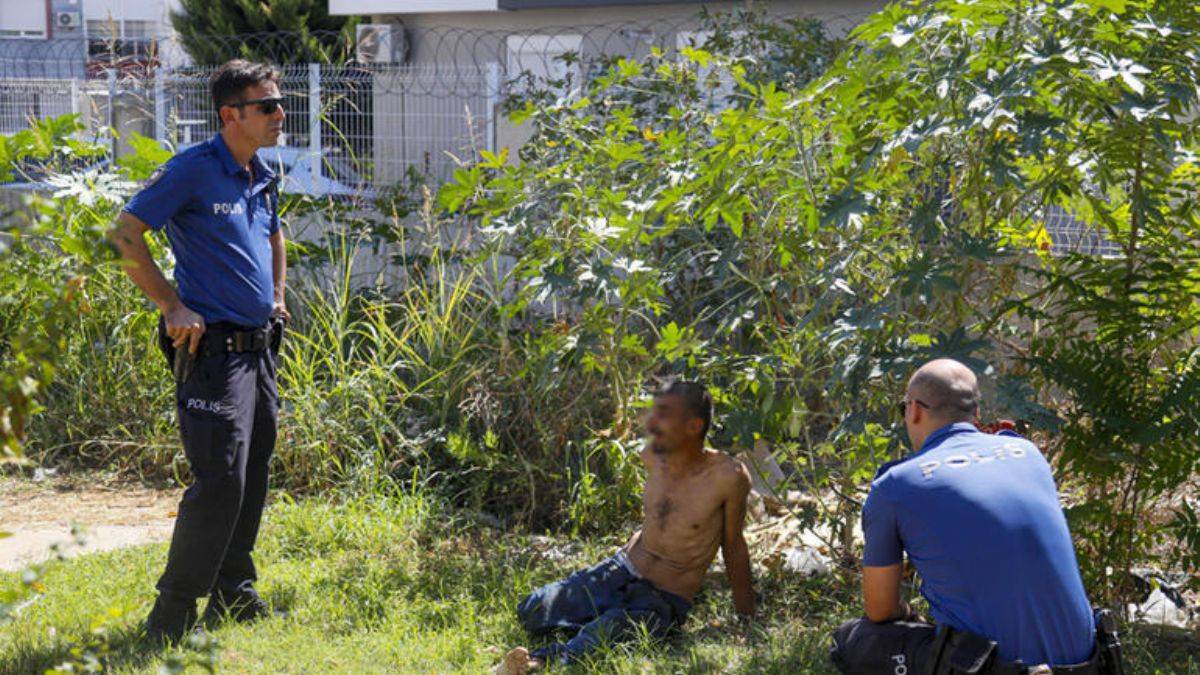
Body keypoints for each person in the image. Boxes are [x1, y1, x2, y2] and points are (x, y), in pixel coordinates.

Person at [108, 59, 289, 644]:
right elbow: (123, 235)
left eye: (279, 103)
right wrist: (170, 305)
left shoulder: (259, 173)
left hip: (260, 349)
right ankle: (172, 615)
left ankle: (234, 595)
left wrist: (279, 295)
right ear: (230, 114)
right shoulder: (193, 170)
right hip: (213, 352)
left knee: (252, 472)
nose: (280, 114)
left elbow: (273, 235)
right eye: (267, 106)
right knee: (220, 480)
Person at [829, 358, 1105, 674]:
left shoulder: (896, 485)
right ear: (976, 414)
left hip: (997, 668)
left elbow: (880, 609)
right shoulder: (1028, 453)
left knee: (857, 639)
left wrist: (909, 613)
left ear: (914, 410)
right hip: (1089, 663)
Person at [495, 381, 755, 673]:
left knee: (603, 636)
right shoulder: (653, 456)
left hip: (663, 596)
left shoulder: (728, 477)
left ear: (693, 426)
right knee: (533, 609)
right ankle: (596, 614)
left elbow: (734, 545)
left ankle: (536, 663)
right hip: (620, 570)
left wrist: (747, 620)